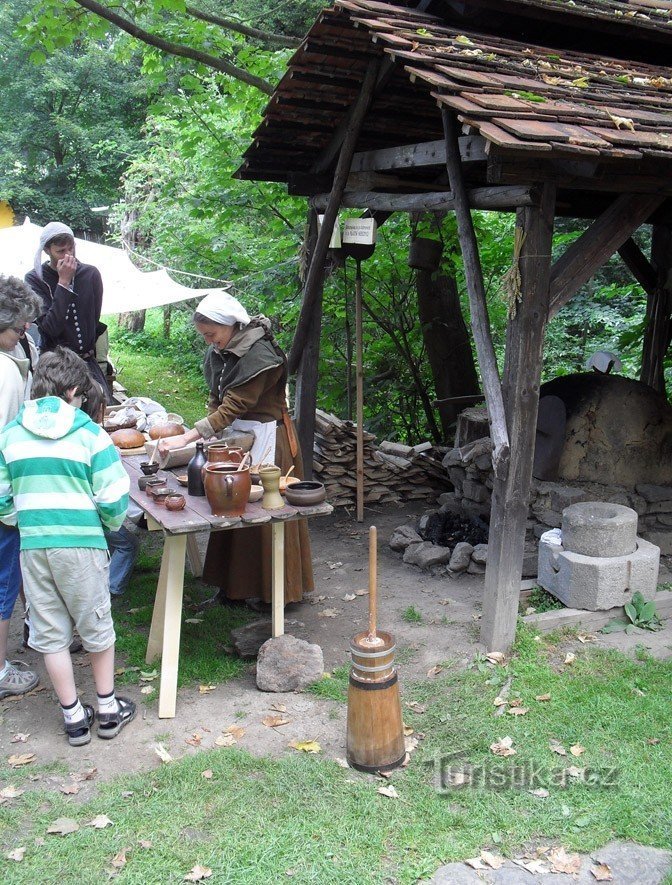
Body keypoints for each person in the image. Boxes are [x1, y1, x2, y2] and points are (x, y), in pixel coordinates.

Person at [0, 347, 135, 745]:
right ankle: (108, 709)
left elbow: (2, 497)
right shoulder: (90, 434)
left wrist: (20, 521)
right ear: (75, 390)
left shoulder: (8, 435)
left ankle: (74, 718)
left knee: (50, 631)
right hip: (82, 546)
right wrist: (106, 526)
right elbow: (113, 499)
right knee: (95, 624)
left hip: (34, 548)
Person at [158, 292, 314, 608]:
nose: (209, 342)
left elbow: (236, 403)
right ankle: (234, 588)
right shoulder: (223, 349)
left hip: (270, 439)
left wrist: (187, 438)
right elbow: (220, 397)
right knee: (228, 503)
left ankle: (275, 593)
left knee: (266, 513)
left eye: (212, 334)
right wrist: (214, 422)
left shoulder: (260, 355)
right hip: (239, 436)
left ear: (230, 325)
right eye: (204, 336)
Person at [0, 276, 41, 699]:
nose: (23, 334)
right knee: (2, 583)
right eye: (16, 328)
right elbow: (5, 445)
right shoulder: (5, 374)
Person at [24, 221, 111, 401]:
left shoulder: (91, 274)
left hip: (87, 363)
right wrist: (63, 283)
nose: (68, 255)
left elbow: (92, 320)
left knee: (100, 410)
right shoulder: (34, 279)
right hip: (55, 368)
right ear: (47, 250)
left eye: (70, 248)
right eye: (61, 251)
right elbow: (50, 327)